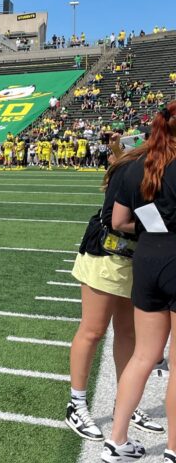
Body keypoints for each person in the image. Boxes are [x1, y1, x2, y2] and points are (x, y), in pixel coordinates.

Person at [65, 137, 163, 440]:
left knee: (128, 333)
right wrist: (163, 224)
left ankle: (126, 401)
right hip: (106, 254)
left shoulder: (155, 163)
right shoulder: (135, 166)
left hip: (135, 259)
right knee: (93, 330)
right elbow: (114, 219)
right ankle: (76, 404)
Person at [105, 103, 176, 463]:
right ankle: (174, 452)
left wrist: (153, 229)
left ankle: (116, 440)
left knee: (143, 355)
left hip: (147, 259)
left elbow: (118, 220)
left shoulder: (138, 166)